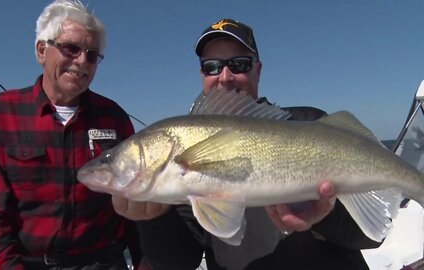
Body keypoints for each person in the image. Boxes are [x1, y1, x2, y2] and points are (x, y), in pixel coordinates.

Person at [112, 18, 382, 270]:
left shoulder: (310, 124)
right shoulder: (182, 156)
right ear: (202, 74)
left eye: (239, 64)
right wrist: (153, 220)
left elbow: (373, 235)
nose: (225, 76)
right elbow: (181, 261)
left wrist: (324, 215)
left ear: (258, 69)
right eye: (212, 67)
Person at [0, 1, 144, 269]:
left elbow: (133, 204)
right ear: (41, 50)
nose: (82, 61)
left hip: (103, 261)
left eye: (92, 54)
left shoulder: (114, 117)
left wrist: (145, 262)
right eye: (71, 48)